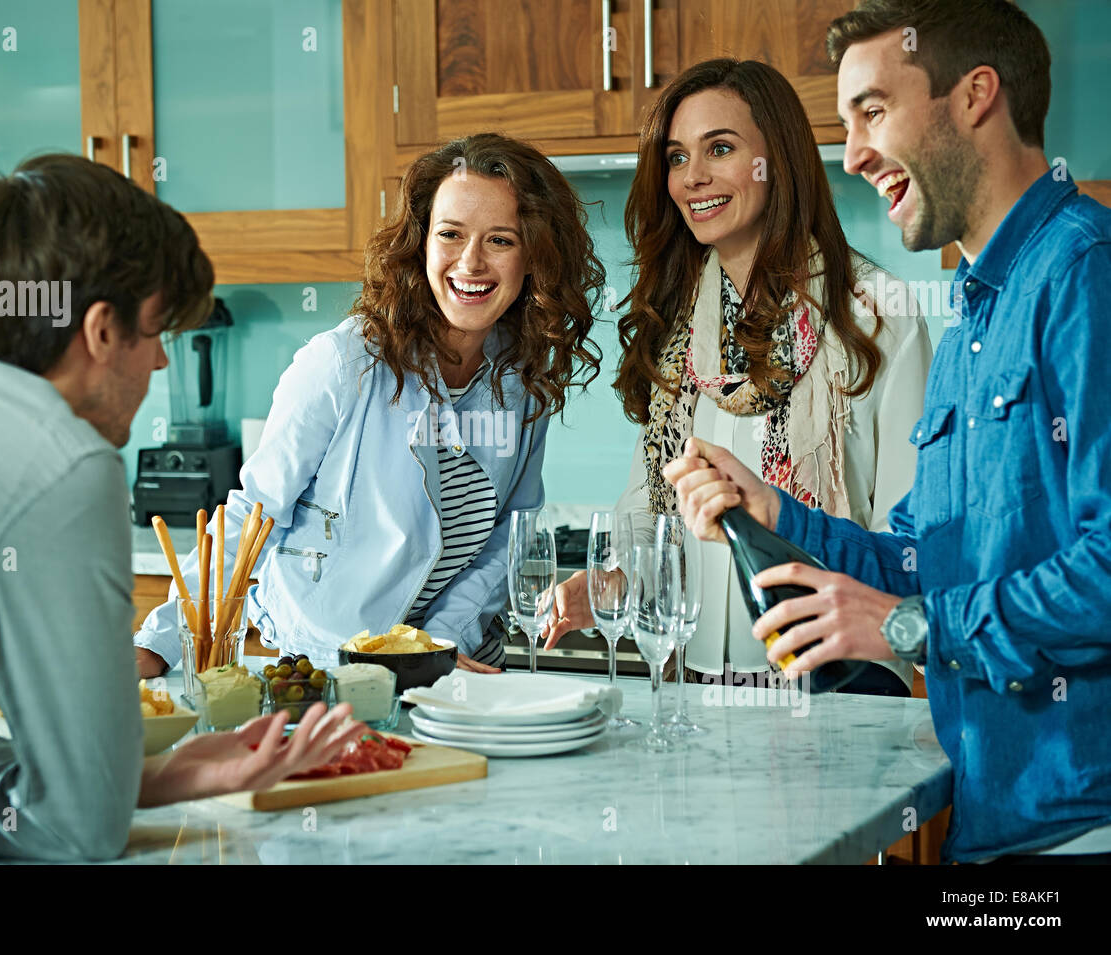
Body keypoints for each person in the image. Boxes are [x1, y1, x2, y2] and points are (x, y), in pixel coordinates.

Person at [0, 154, 362, 866]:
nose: (162, 363)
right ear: (102, 332)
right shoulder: (61, 464)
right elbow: (78, 830)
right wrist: (125, 786)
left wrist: (160, 773)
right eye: (157, 329)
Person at [667, 0, 1111, 864]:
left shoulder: (1084, 276)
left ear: (975, 94)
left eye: (874, 109)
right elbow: (920, 559)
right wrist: (779, 514)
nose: (854, 152)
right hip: (993, 826)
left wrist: (910, 627)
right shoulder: (973, 319)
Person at [135, 133, 604, 676]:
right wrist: (161, 639)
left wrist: (440, 645)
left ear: (535, 255)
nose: (470, 262)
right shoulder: (342, 363)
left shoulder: (523, 376)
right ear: (422, 243)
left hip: (460, 666)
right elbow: (253, 514)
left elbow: (509, 533)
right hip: (328, 671)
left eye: (500, 239)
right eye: (450, 234)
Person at [545, 59, 932, 696]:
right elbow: (661, 497)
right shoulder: (675, 322)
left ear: (775, 158)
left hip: (839, 690)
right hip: (695, 686)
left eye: (719, 149)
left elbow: (911, 542)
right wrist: (610, 580)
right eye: (675, 157)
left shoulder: (876, 314)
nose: (692, 177)